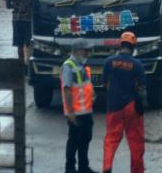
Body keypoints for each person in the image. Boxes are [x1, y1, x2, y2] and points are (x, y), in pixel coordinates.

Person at [102, 32, 147, 173]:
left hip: (113, 106)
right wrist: (142, 105)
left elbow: (105, 84)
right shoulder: (137, 64)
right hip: (131, 106)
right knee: (135, 142)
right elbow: (142, 89)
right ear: (133, 47)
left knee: (111, 138)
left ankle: (107, 166)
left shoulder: (108, 62)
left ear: (120, 45)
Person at [61, 39, 96, 173]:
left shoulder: (81, 65)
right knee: (74, 142)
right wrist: (70, 113)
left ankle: (83, 167)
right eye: (86, 50)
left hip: (86, 112)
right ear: (77, 51)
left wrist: (92, 94)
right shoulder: (68, 66)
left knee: (85, 140)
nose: (88, 53)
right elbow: (66, 89)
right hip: (76, 113)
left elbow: (85, 85)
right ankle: (70, 168)